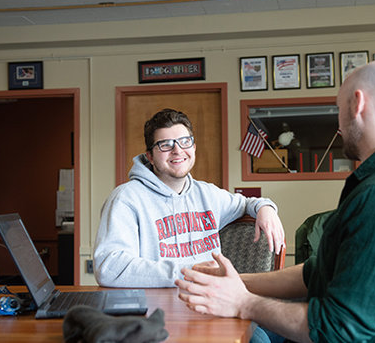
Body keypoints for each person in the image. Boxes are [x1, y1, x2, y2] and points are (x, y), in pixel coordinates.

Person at [175, 59, 375, 342]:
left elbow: (337, 329)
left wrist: (243, 303)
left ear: (357, 103)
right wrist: (237, 283)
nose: (338, 125)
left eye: (338, 108)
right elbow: (317, 272)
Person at [93, 108, 285, 288]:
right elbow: (110, 267)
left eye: (185, 141)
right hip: (155, 313)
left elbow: (246, 203)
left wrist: (265, 208)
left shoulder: (208, 195)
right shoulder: (126, 199)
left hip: (212, 303)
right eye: (165, 145)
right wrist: (189, 273)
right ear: (150, 156)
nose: (177, 150)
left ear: (193, 147)